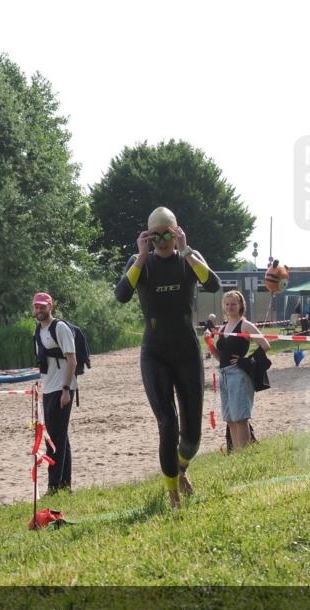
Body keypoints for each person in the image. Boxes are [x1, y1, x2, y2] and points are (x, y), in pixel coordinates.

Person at [114, 206, 221, 510]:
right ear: (148, 236)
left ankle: (182, 468)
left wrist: (186, 251)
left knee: (192, 438)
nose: (161, 240)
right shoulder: (139, 262)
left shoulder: (189, 258)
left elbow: (213, 284)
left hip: (187, 353)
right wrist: (142, 256)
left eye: (167, 234)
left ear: (176, 233)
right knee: (167, 424)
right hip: (155, 355)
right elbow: (121, 295)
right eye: (155, 234)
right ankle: (173, 495)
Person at [209, 290, 270, 453]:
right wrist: (209, 345)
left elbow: (265, 345)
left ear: (241, 305)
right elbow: (220, 357)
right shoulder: (222, 327)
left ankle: (244, 455)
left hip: (239, 375)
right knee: (229, 418)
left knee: (240, 418)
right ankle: (237, 454)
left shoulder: (245, 325)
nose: (230, 307)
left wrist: (247, 360)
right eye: (227, 304)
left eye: (233, 304)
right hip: (224, 375)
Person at [32, 292, 77, 495]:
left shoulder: (60, 328)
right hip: (48, 388)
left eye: (43, 306)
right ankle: (65, 485)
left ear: (51, 306)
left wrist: (66, 390)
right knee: (60, 437)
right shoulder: (38, 331)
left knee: (53, 440)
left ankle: (53, 487)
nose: (39, 310)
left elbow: (72, 360)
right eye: (36, 307)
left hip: (63, 389)